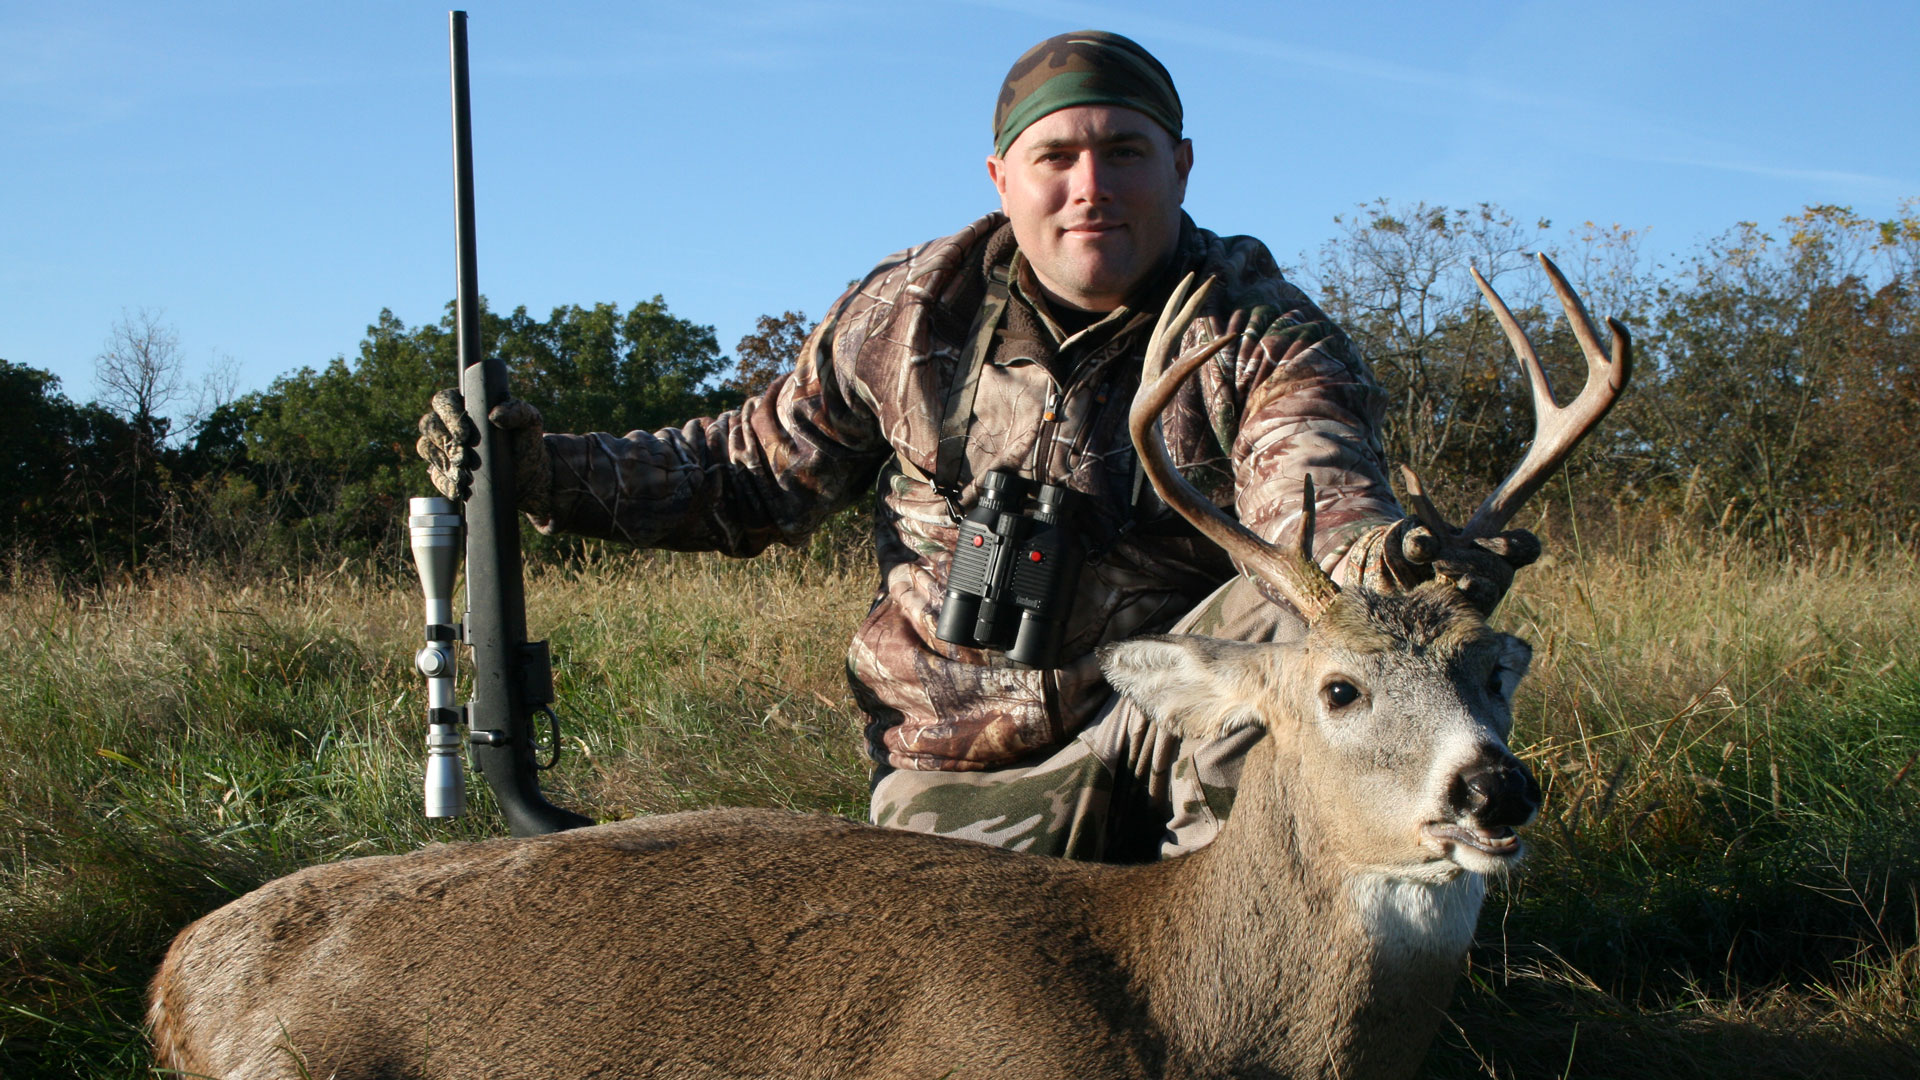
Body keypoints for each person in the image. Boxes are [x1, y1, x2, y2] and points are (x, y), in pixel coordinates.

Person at [418, 30, 1535, 862]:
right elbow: (745, 473)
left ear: (1181, 167)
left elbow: (1313, 493)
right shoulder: (910, 314)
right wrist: (542, 469)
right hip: (956, 776)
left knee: (1304, 624)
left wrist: (1382, 561)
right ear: (1002, 179)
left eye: (1124, 152)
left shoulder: (1257, 328)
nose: (1090, 185)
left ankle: (1277, 971)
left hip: (1158, 735)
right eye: (1056, 156)